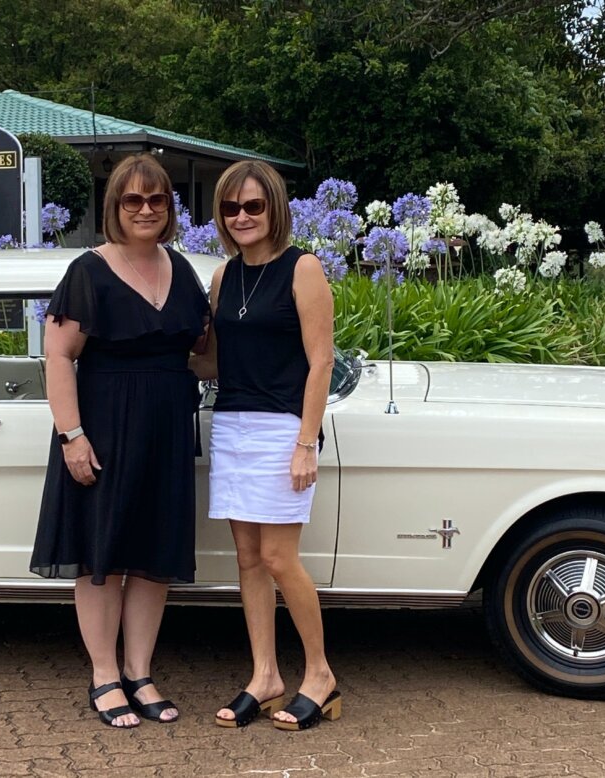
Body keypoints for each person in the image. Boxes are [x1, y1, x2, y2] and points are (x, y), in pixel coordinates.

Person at [30, 154, 209, 729]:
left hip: (166, 431)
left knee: (154, 557)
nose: (146, 209)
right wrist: (72, 436)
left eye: (157, 200)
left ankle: (140, 672)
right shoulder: (88, 270)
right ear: (115, 208)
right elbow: (57, 356)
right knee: (101, 558)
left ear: (169, 208)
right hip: (102, 430)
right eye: (133, 200)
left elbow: (202, 354)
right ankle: (104, 675)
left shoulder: (181, 270)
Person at [191, 160, 341, 731]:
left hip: (283, 429)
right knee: (249, 560)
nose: (241, 217)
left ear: (274, 208)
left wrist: (306, 442)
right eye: (230, 208)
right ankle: (266, 676)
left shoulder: (303, 269)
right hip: (231, 424)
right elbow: (214, 360)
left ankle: (320, 675)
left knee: (280, 558)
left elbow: (321, 360)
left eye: (253, 206)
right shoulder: (225, 277)